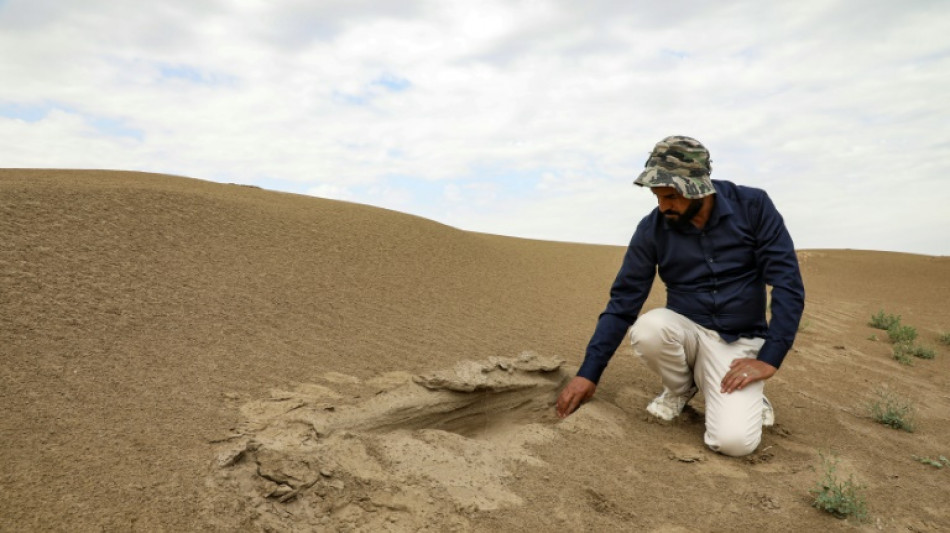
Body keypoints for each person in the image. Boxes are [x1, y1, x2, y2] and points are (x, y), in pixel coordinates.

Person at [555, 135, 805, 457]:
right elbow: (623, 302)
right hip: (686, 332)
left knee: (734, 444)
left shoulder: (753, 207)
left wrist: (770, 357)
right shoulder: (652, 229)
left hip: (739, 340)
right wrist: (588, 374)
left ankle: (746, 390)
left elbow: (788, 284)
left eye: (671, 196)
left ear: (699, 186)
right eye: (657, 196)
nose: (663, 206)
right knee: (648, 329)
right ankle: (681, 388)